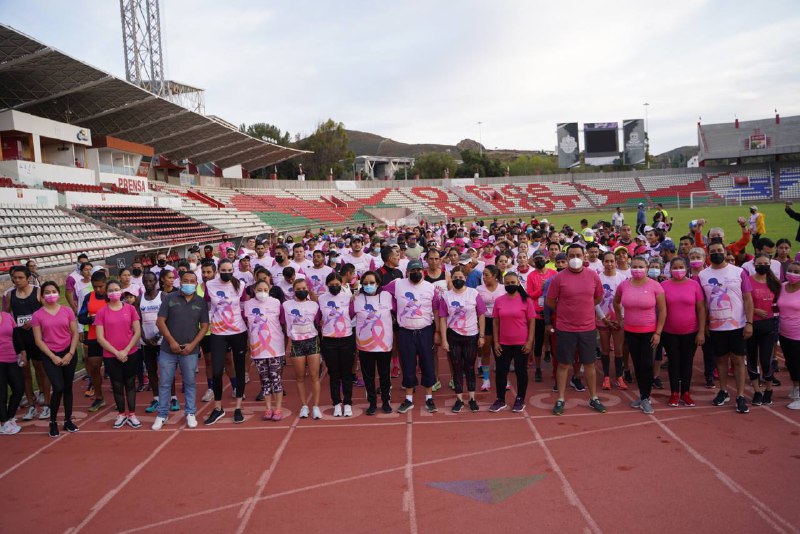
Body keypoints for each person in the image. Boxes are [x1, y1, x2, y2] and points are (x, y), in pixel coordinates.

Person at [546, 244, 607, 416]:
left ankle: (593, 397)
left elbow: (598, 297)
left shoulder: (593, 276)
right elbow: (550, 302)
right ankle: (561, 398)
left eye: (578, 255)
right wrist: (567, 309)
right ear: (566, 258)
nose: (575, 258)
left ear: (584, 256)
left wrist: (583, 307)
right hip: (565, 328)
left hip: (587, 327)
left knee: (589, 364)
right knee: (564, 364)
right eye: (571, 255)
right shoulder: (559, 278)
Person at [698, 241, 754, 414]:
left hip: (737, 324)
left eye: (719, 250)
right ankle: (723, 391)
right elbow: (702, 304)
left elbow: (747, 299)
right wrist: (705, 324)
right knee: (720, 360)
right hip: (716, 326)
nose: (716, 253)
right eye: (713, 251)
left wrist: (750, 322)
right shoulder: (702, 275)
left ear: (725, 251)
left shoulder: (739, 272)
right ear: (708, 253)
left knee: (738, 361)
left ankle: (740, 396)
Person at [153, 271, 209, 430]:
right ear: (180, 282)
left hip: (190, 351)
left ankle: (190, 412)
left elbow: (204, 326)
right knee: (164, 383)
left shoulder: (201, 301)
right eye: (186, 280)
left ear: (196, 283)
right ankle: (162, 414)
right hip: (168, 349)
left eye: (192, 281)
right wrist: (171, 342)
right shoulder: (170, 298)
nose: (189, 283)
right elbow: (160, 321)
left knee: (190, 382)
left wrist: (193, 345)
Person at [384, 259, 440, 413]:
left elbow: (436, 310)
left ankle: (429, 399)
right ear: (407, 272)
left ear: (424, 271)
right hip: (405, 332)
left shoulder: (430, 288)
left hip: (426, 331)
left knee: (427, 364)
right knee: (408, 365)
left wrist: (437, 332)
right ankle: (408, 399)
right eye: (412, 270)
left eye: (419, 270)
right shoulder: (397, 284)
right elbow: (380, 290)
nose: (416, 273)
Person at [613, 256, 667, 414]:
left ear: (647, 267)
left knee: (647, 365)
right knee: (636, 364)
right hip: (631, 331)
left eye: (641, 266)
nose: (637, 269)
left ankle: (646, 397)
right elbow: (616, 302)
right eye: (634, 266)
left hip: (649, 333)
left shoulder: (655, 286)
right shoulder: (624, 285)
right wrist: (620, 318)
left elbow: (663, 310)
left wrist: (658, 332)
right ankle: (643, 395)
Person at [32, 281, 80, 437]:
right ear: (42, 295)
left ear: (58, 294)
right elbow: (38, 340)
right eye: (47, 292)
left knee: (67, 388)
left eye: (53, 291)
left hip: (68, 353)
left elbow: (75, 333)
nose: (50, 294)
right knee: (58, 387)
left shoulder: (67, 311)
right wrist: (52, 356)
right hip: (50, 354)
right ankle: (52, 422)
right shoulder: (37, 315)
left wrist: (70, 353)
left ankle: (68, 420)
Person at [204, 259, 249, 425]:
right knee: (217, 371)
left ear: (233, 270)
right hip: (218, 332)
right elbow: (209, 307)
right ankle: (218, 408)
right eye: (223, 270)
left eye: (229, 270)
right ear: (218, 270)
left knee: (239, 368)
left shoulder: (240, 285)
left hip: (238, 331)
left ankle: (238, 408)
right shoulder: (210, 285)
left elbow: (244, 308)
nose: (226, 273)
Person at [95, 280, 142, 429]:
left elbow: (137, 332)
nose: (114, 292)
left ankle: (132, 414)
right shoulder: (102, 312)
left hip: (131, 353)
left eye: (116, 289)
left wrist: (126, 350)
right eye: (111, 290)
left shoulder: (130, 309)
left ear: (121, 291)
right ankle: (121, 414)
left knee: (130, 383)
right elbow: (100, 337)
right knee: (116, 384)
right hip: (111, 356)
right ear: (107, 293)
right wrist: (116, 352)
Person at [4, 266, 49, 421]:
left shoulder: (37, 292)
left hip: (37, 337)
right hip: (20, 339)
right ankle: (31, 405)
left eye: (20, 278)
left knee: (41, 370)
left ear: (28, 277)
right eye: (14, 278)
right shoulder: (10, 295)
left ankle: (47, 405)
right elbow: (7, 316)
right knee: (25, 373)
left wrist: (34, 320)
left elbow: (47, 311)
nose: (17, 280)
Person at [660, 257, 706, 407]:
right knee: (674, 362)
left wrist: (701, 331)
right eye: (675, 267)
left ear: (686, 268)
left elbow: (700, 308)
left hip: (690, 332)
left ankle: (685, 392)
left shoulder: (694, 285)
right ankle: (674, 392)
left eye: (681, 267)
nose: (678, 270)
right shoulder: (664, 286)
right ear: (670, 269)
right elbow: (660, 309)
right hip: (669, 332)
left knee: (687, 362)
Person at [439, 266, 486, 413]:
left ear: (465, 279)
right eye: (455, 278)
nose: (458, 280)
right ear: (451, 280)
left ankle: (472, 398)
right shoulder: (446, 296)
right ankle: (459, 399)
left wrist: (482, 335)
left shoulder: (474, 293)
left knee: (469, 367)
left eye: (460, 278)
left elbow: (481, 314)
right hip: (453, 335)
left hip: (471, 335)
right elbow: (442, 318)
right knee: (456, 367)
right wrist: (444, 340)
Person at [490, 272, 534, 413]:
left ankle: (520, 399)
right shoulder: (499, 301)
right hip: (503, 343)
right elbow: (495, 323)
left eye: (513, 282)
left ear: (518, 282)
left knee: (521, 372)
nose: (510, 285)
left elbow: (531, 322)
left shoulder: (526, 300)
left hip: (521, 343)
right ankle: (500, 399)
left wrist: (529, 342)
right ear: (504, 284)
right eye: (507, 283)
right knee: (501, 372)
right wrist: (496, 342)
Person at [352, 270, 394, 415]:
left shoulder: (387, 296)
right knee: (368, 376)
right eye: (365, 283)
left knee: (384, 375)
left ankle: (386, 401)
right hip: (365, 345)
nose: (368, 285)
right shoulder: (356, 299)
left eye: (371, 283)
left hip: (384, 345)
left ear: (378, 283)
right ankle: (372, 402)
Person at [244, 279, 286, 421]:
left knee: (276, 378)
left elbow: (282, 321)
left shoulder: (276, 303)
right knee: (264, 380)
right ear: (254, 290)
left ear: (269, 290)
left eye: (265, 290)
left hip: (275, 347)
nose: (262, 293)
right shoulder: (248, 305)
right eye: (259, 290)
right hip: (258, 349)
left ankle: (278, 408)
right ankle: (268, 408)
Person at [282, 278, 323, 419]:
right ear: (293, 290)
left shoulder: (314, 305)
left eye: (304, 288)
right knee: (299, 377)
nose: (301, 291)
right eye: (298, 289)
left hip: (312, 342)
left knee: (314, 376)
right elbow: (282, 322)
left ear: (308, 289)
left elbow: (319, 322)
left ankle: (316, 407)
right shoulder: (286, 305)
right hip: (296, 343)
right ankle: (304, 406)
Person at [319, 272, 356, 417]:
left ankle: (347, 402)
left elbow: (352, 314)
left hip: (346, 338)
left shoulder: (348, 298)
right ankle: (336, 403)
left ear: (341, 284)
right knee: (334, 374)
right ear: (327, 285)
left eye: (337, 284)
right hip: (329, 340)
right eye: (332, 285)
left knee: (347, 373)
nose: (334, 287)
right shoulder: (321, 299)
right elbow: (318, 318)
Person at [746, 254, 780, 406]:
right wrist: (755, 311)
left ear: (769, 264)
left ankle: (768, 389)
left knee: (766, 360)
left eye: (765, 263)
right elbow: (743, 301)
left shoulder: (775, 283)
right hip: (751, 325)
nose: (762, 266)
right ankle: (756, 391)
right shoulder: (748, 281)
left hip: (768, 325)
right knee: (752, 359)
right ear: (754, 264)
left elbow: (780, 303)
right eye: (759, 263)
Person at [78, 270, 108, 412]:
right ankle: (99, 397)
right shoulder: (89, 297)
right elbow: (81, 317)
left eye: (101, 286)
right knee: (95, 367)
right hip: (93, 337)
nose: (98, 289)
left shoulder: (112, 296)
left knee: (114, 369)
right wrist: (91, 319)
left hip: (111, 338)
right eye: (95, 286)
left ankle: (121, 396)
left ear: (106, 284)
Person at [597, 251, 627, 391]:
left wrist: (621, 318)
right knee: (604, 350)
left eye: (611, 261)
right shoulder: (598, 278)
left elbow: (625, 300)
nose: (609, 264)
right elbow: (595, 301)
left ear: (616, 262)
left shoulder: (622, 278)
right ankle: (606, 377)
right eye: (606, 261)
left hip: (618, 319)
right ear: (602, 263)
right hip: (602, 319)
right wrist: (603, 318)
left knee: (619, 350)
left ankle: (619, 377)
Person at [526, 252, 556, 381]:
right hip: (538, 314)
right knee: (538, 342)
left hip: (552, 313)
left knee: (554, 341)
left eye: (541, 259)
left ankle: (556, 367)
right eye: (536, 259)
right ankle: (538, 369)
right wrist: (542, 289)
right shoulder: (531, 276)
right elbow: (530, 295)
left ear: (546, 259)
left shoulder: (553, 273)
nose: (539, 261)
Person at [139, 272, 165, 414]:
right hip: (147, 342)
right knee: (151, 371)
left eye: (151, 281)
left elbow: (168, 318)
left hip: (162, 340)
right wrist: (145, 338)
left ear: (155, 282)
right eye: (145, 281)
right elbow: (137, 320)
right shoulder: (139, 299)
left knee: (166, 370)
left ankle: (171, 397)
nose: (148, 284)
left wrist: (159, 335)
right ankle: (156, 398)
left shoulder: (163, 296)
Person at [477, 265, 505, 390]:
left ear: (494, 276)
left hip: (501, 322)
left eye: (486, 275)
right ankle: (486, 379)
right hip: (486, 321)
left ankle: (505, 378)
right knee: (486, 351)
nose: (484, 277)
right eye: (483, 274)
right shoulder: (478, 289)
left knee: (501, 352)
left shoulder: (503, 288)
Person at [777, 262, 800, 409]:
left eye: (797, 272)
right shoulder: (783, 287)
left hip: (798, 335)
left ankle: (799, 396)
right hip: (784, 333)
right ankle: (796, 387)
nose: (792, 273)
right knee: (790, 363)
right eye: (790, 270)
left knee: (798, 364)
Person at [0, 307, 24, 434]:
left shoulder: (7, 316)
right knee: (1, 393)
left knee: (19, 388)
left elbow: (16, 336)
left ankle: (9, 417)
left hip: (11, 358)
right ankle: (3, 423)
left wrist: (22, 352)